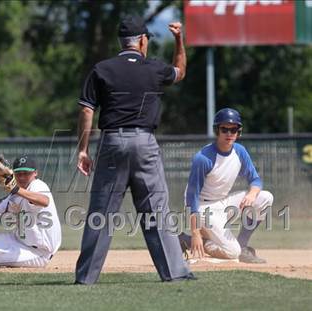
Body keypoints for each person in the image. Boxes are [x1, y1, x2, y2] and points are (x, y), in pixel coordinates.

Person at [75, 15, 194, 284]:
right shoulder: (153, 68)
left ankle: (86, 278)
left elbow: (86, 109)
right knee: (156, 210)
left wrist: (83, 149)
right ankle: (174, 273)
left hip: (112, 142)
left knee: (101, 213)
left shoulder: (102, 69)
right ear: (142, 41)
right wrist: (178, 40)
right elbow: (180, 72)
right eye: (147, 40)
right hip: (144, 143)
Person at [179, 108, 273, 263]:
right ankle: (186, 240)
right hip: (202, 207)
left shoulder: (240, 151)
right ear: (217, 131)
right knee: (231, 253)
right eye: (224, 129)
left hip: (223, 202)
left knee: (265, 197)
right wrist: (195, 233)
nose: (229, 133)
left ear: (238, 132)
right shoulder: (203, 158)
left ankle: (242, 246)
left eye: (234, 129)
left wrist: (251, 194)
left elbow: (256, 181)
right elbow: (191, 197)